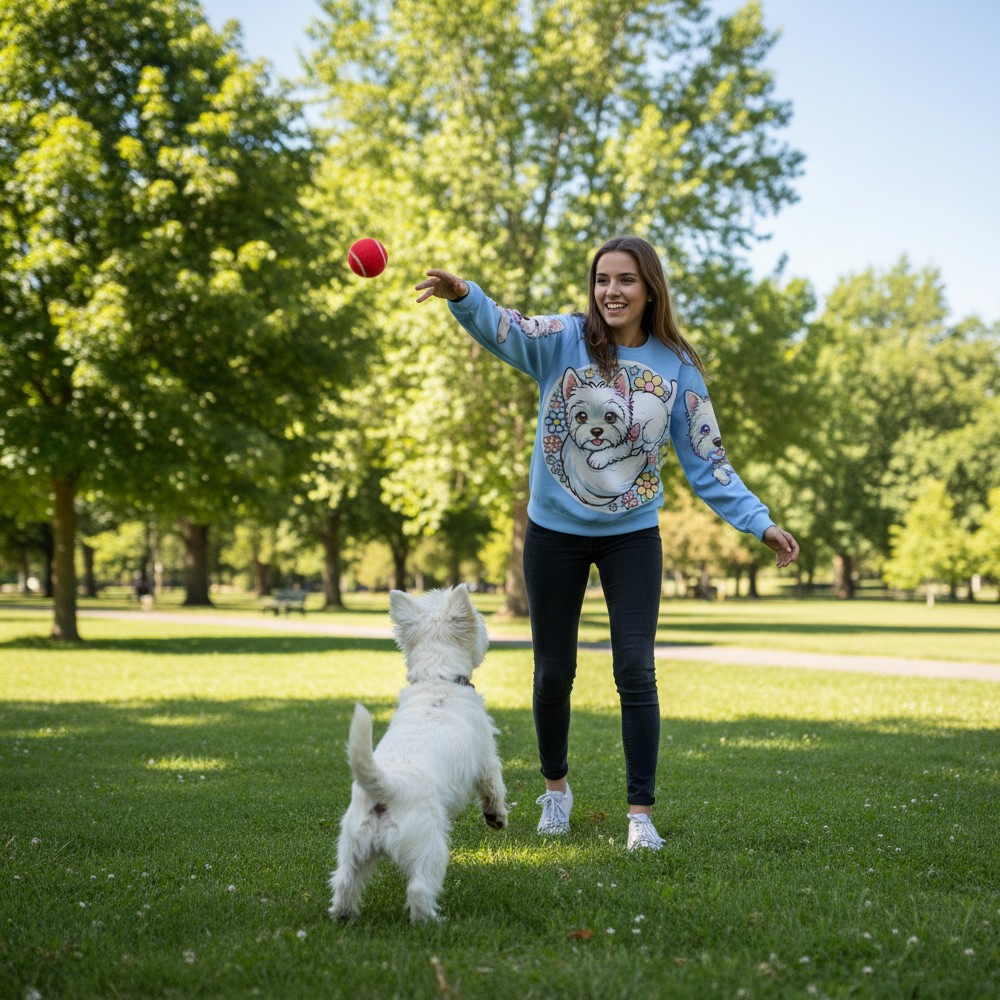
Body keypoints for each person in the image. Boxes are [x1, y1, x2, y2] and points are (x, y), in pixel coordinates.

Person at [415, 235, 799, 851]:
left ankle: (640, 816)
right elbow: (508, 328)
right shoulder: (565, 339)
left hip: (632, 536)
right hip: (553, 534)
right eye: (602, 280)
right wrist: (465, 296)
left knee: (635, 669)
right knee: (552, 674)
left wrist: (760, 522)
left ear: (650, 290)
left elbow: (708, 460)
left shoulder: (677, 367)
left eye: (625, 280)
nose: (611, 291)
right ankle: (556, 793)